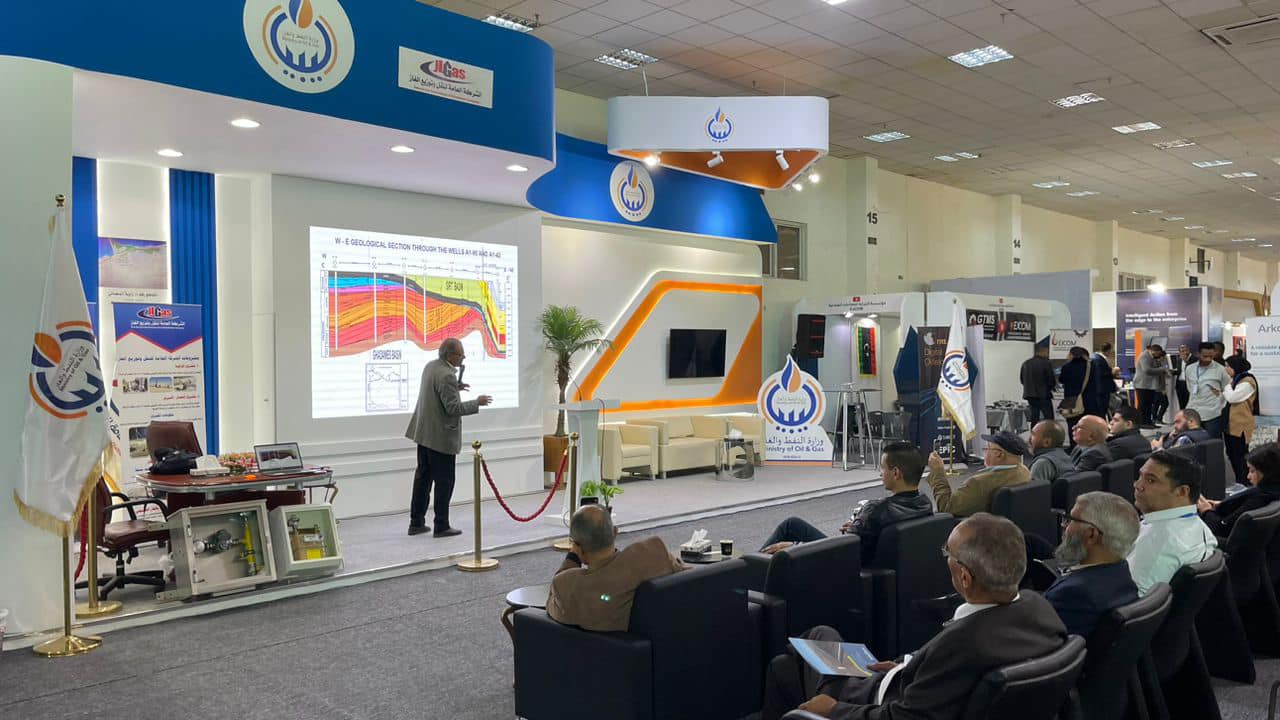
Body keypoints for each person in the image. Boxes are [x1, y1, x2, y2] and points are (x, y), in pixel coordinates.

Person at [760, 514, 1068, 720]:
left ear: (964, 577)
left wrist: (834, 709)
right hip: (907, 682)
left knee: (817, 636)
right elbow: (945, 678)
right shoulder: (1039, 609)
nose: (945, 558)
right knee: (784, 669)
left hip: (872, 700)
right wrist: (908, 665)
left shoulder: (963, 643)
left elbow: (904, 716)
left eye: (948, 554)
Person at [761, 442, 932, 563]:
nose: (881, 473)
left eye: (883, 468)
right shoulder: (924, 503)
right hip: (874, 561)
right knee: (793, 524)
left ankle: (752, 566)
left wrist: (795, 546)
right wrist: (859, 527)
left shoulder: (875, 510)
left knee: (789, 528)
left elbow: (844, 551)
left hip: (845, 567)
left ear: (895, 473)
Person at [404, 338, 493, 537]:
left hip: (424, 435)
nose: (463, 358)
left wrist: (455, 388)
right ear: (450, 355)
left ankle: (416, 523)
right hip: (440, 439)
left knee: (423, 480)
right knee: (444, 483)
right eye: (460, 354)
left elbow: (437, 392)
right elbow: (453, 408)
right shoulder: (447, 375)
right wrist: (477, 402)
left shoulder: (431, 367)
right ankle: (441, 525)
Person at [546, 506, 684, 632]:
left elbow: (553, 603)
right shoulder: (653, 552)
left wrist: (573, 557)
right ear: (615, 532)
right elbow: (683, 575)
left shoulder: (568, 587)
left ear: (577, 547)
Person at [1044, 491, 1141, 638]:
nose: (1063, 525)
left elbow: (1037, 643)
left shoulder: (1072, 595)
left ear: (1091, 535)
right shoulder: (1121, 571)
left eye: (1070, 520)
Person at [1128, 451, 1218, 596]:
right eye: (1140, 476)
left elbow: (1130, 600)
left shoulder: (1158, 542)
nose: (1138, 485)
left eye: (1150, 480)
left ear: (1182, 491)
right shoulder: (1196, 526)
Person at [926, 431, 1030, 516]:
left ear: (999, 455)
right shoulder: (1024, 471)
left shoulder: (978, 483)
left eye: (988, 448)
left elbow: (946, 508)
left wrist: (937, 471)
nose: (985, 452)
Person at [1198, 443, 1280, 539]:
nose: (1248, 476)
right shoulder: (1271, 492)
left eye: (1252, 471)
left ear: (1266, 473)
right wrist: (1221, 504)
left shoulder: (1258, 499)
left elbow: (1222, 528)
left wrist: (1206, 511)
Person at [1222, 354, 1258, 487]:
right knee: (1231, 454)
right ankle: (1239, 480)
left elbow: (1232, 397)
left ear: (1236, 367)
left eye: (1228, 366)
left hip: (1241, 426)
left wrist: (1226, 387)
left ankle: (1245, 481)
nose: (1226, 369)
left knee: (1240, 455)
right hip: (1230, 425)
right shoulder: (1235, 380)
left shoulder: (1247, 381)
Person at [1185, 341, 1230, 438]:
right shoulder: (1189, 369)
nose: (1208, 359)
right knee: (1193, 440)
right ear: (1198, 354)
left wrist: (1219, 400)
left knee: (1212, 441)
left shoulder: (1220, 369)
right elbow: (1189, 387)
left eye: (1211, 356)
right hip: (1193, 411)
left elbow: (1227, 389)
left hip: (1212, 413)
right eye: (1205, 356)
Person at [1059, 346, 1091, 446]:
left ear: (1071, 354)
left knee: (1072, 424)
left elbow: (1061, 379)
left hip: (1071, 399)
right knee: (1086, 424)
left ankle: (1073, 446)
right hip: (1086, 398)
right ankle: (1085, 445)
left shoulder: (1067, 366)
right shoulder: (1089, 366)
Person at [1134, 344, 1170, 428]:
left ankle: (1148, 422)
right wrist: (1163, 369)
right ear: (1154, 351)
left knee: (1149, 405)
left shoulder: (1152, 357)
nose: (1159, 356)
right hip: (1142, 385)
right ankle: (1142, 423)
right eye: (1158, 353)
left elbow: (1156, 367)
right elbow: (1147, 370)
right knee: (1143, 405)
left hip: (1150, 386)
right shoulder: (1144, 356)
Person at [1028, 420, 1074, 485]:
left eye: (1033, 435)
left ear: (1046, 442)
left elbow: (1033, 490)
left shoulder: (1042, 464)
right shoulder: (1066, 457)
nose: (1029, 439)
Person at [1020, 346, 1056, 426]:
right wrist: (1051, 387)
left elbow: (1022, 380)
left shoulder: (1025, 363)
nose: (1048, 354)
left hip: (1030, 395)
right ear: (1042, 352)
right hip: (1044, 395)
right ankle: (1050, 433)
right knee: (1049, 418)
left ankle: (1034, 433)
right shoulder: (1046, 363)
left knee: (1034, 417)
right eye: (1047, 352)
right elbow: (1051, 379)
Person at [1089, 343, 1115, 418]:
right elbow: (1099, 375)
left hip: (1099, 390)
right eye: (1111, 351)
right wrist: (1111, 372)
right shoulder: (1098, 359)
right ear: (1108, 350)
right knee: (1101, 411)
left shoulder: (1096, 358)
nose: (1111, 353)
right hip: (1101, 390)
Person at [1172, 344, 1191, 411]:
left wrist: (1185, 360)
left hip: (1188, 384)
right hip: (1180, 384)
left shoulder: (1194, 359)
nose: (1184, 352)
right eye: (1182, 351)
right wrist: (1171, 372)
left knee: (1188, 403)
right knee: (1181, 403)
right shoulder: (1179, 360)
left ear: (1189, 350)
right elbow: (1179, 371)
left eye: (1186, 350)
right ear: (1180, 352)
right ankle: (1182, 415)